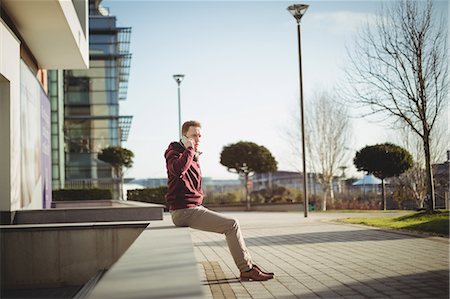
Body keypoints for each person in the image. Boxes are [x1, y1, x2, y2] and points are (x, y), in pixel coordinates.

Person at [164, 120, 274, 281]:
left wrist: (192, 152)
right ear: (184, 136)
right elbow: (178, 170)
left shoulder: (192, 154)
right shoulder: (174, 151)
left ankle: (248, 266)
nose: (198, 138)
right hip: (183, 211)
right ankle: (246, 269)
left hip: (192, 207)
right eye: (194, 135)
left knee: (231, 224)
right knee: (232, 224)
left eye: (200, 135)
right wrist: (189, 149)